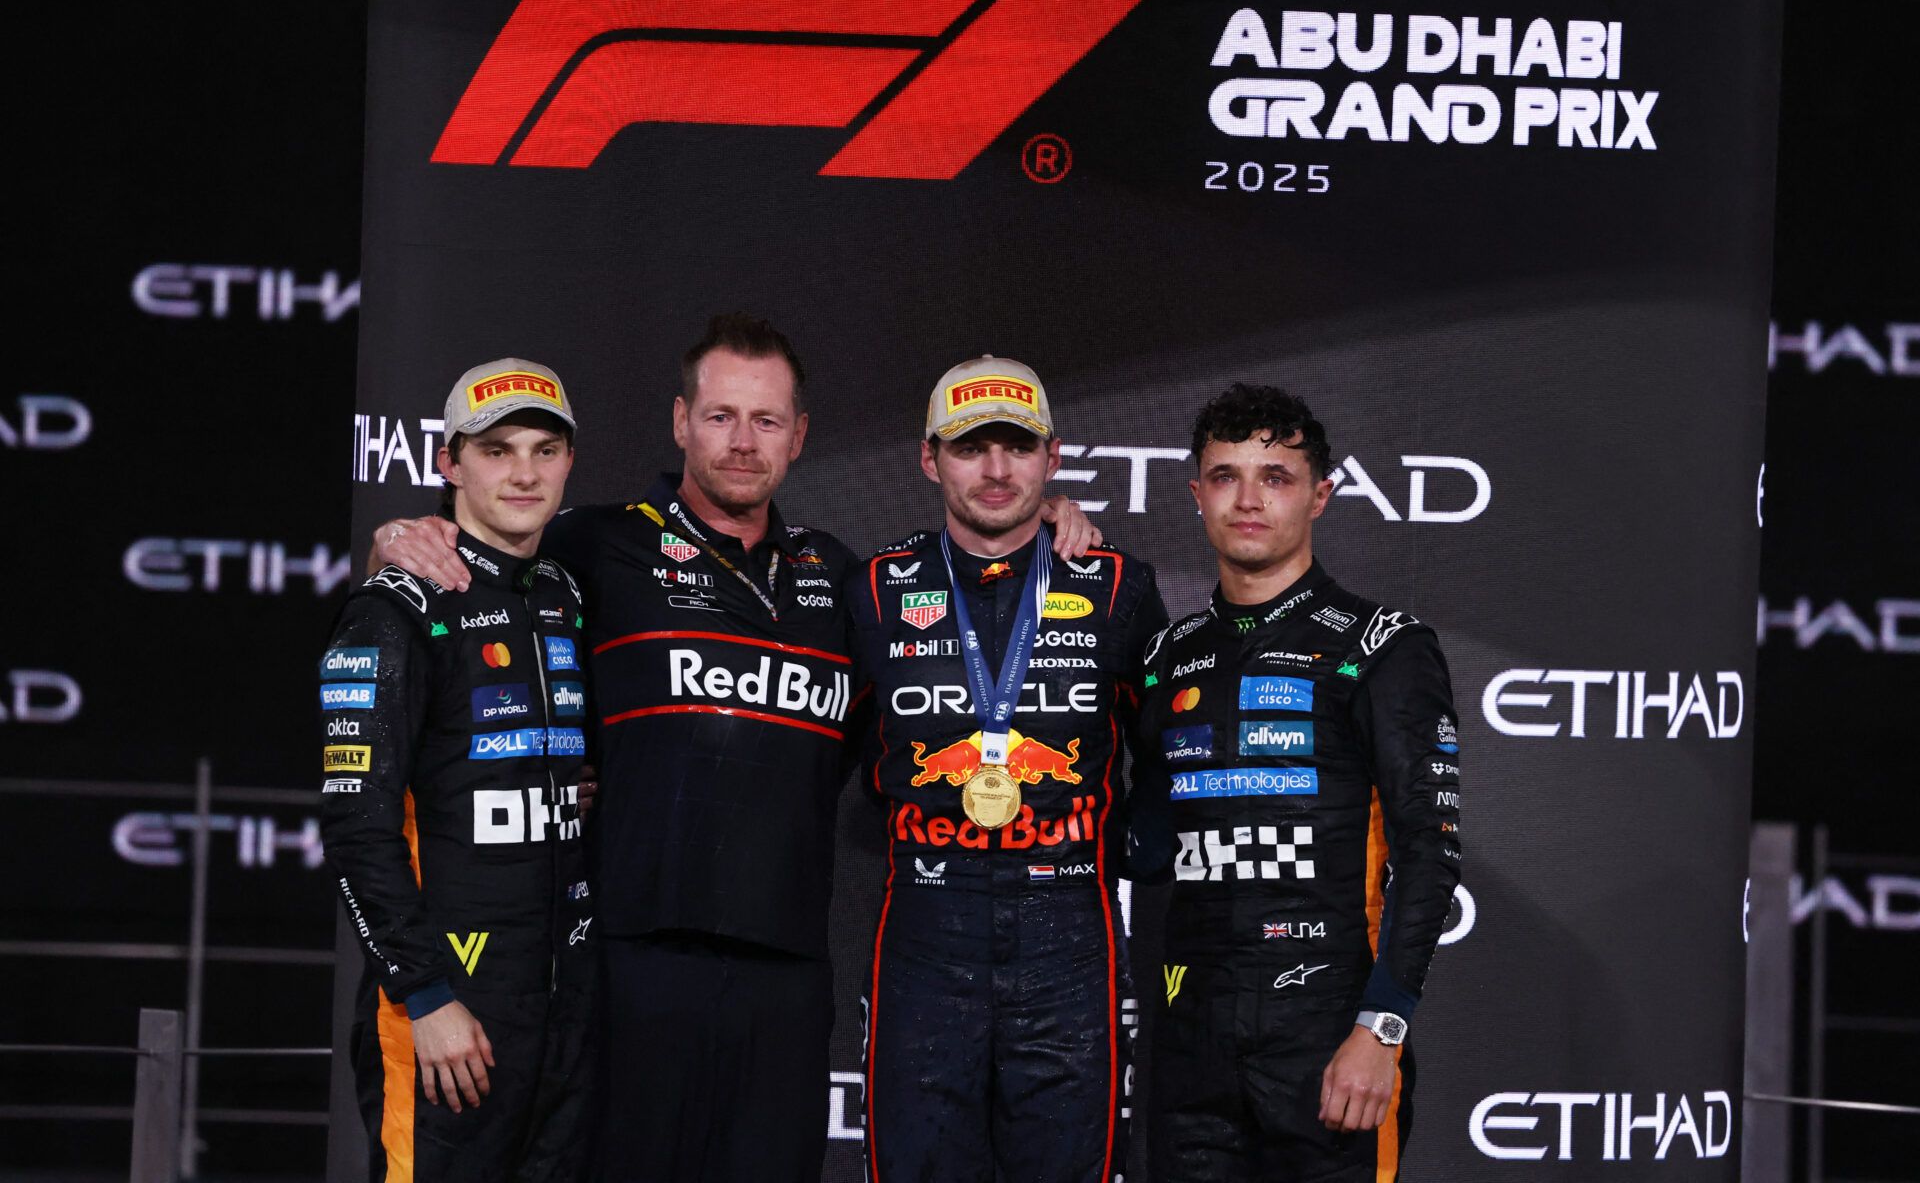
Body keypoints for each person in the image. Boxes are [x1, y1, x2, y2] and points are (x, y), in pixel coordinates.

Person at [368, 318, 1101, 1182]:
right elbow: (485, 552)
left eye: (764, 420)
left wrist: (1047, 522)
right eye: (720, 417)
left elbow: (956, 626)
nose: (742, 443)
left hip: (786, 978)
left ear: (799, 436)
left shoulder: (840, 579)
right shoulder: (592, 546)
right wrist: (410, 534)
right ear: (681, 422)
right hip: (629, 964)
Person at [851, 355, 1168, 1183]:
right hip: (925, 926)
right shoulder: (874, 591)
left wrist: (1108, 853)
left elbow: (1170, 764)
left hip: (1069, 929)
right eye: (970, 448)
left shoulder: (1118, 588)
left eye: (1017, 448)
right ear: (930, 459)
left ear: (1052, 458)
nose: (996, 471)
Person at [1135, 383, 1463, 1182]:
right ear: (1196, 494)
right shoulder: (1165, 656)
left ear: (1320, 494)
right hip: (1189, 1045)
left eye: (1275, 477)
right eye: (1225, 476)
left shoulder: (1384, 645)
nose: (1248, 499)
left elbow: (1430, 851)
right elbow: (1143, 845)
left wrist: (1380, 1031)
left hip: (1327, 1041)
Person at [319, 357, 595, 1182]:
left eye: (545, 450)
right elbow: (356, 825)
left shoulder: (565, 594)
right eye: (497, 449)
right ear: (449, 463)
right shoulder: (392, 608)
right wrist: (425, 995)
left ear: (570, 461)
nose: (523, 472)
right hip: (448, 1015)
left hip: (562, 1011)